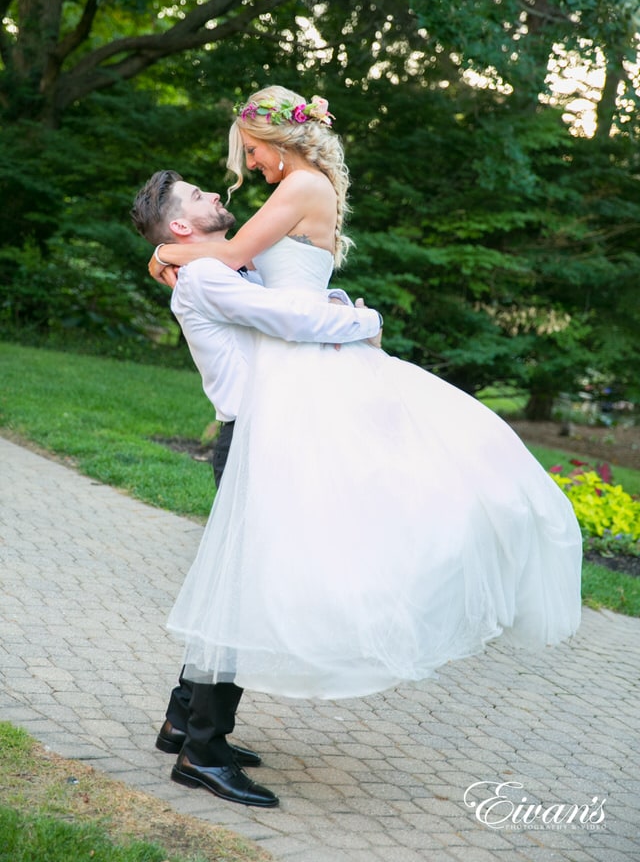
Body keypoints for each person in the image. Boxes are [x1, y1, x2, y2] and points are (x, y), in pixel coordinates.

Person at [147, 86, 582, 741]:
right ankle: (195, 736)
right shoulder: (288, 197)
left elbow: (247, 272)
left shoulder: (298, 189)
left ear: (283, 140)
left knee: (284, 554)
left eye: (255, 152)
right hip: (293, 380)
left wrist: (167, 252)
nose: (247, 169)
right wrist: (355, 315)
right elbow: (260, 285)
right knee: (248, 574)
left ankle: (194, 730)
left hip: (304, 377)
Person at [131, 169, 384, 808]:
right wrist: (366, 319)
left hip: (263, 439)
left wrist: (337, 303)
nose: (216, 193)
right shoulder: (210, 275)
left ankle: (182, 722)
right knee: (238, 599)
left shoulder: (217, 266)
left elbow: (292, 303)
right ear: (182, 226)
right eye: (197, 195)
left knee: (231, 589)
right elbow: (291, 320)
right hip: (251, 443)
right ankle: (203, 755)